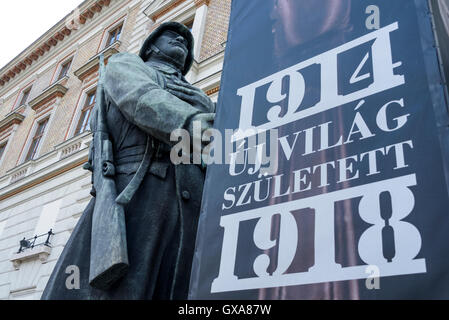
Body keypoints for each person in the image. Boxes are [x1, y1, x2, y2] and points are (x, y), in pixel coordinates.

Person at [42, 22, 215, 300]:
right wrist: (195, 122)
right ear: (151, 47)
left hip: (192, 201)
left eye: (186, 40)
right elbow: (141, 98)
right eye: (172, 36)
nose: (182, 39)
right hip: (138, 189)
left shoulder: (200, 97)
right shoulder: (126, 65)